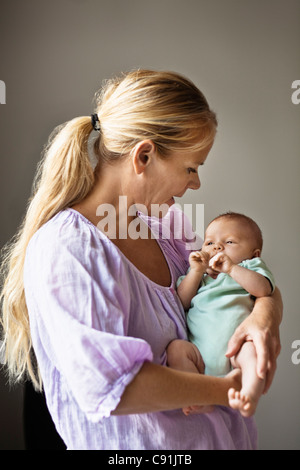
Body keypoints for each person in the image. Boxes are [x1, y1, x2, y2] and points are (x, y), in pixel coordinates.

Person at [0, 69, 282, 450]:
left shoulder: (167, 227)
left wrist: (265, 319)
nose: (196, 184)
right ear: (144, 155)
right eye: (191, 168)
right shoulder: (67, 248)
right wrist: (228, 389)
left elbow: (242, 279)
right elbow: (115, 385)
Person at [167, 212, 275, 418]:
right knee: (176, 349)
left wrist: (232, 269)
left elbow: (263, 290)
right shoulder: (199, 277)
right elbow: (181, 302)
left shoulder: (249, 268)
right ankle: (198, 395)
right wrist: (196, 272)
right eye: (209, 243)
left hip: (236, 350)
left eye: (230, 241)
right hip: (198, 353)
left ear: (254, 254)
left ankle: (249, 395)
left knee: (253, 352)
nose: (217, 247)